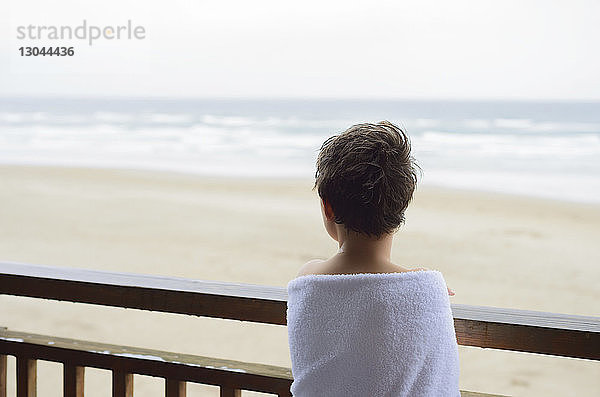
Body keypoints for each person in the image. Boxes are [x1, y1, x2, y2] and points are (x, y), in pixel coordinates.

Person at [286, 121, 460, 396]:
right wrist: (414, 282)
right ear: (401, 205)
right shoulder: (428, 291)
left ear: (328, 206)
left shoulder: (309, 280)